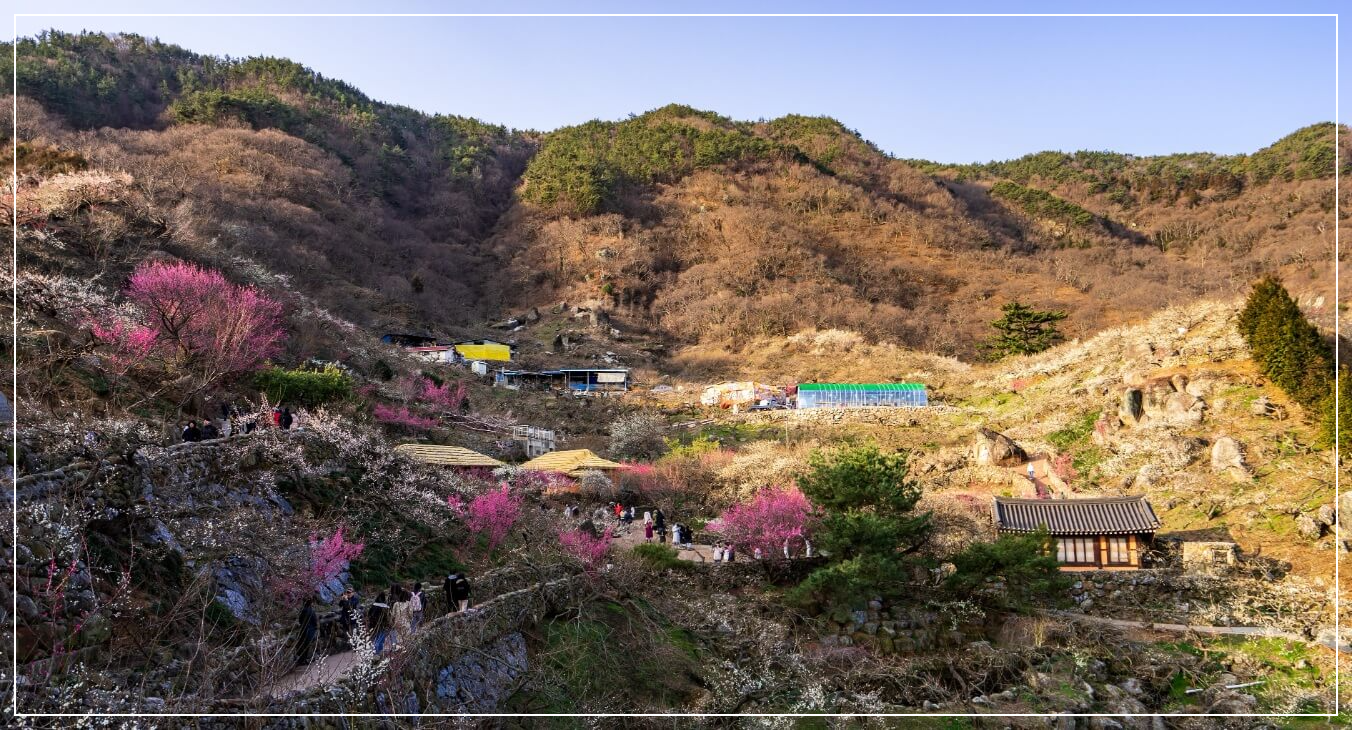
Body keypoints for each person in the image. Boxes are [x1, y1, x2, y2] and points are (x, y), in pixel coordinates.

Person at [297, 597, 318, 666]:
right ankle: (307, 658)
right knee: (308, 645)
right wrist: (315, 627)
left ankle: (302, 659)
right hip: (310, 630)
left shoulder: (303, 610)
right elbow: (315, 621)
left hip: (303, 629)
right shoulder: (311, 611)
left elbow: (300, 620)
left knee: (303, 644)